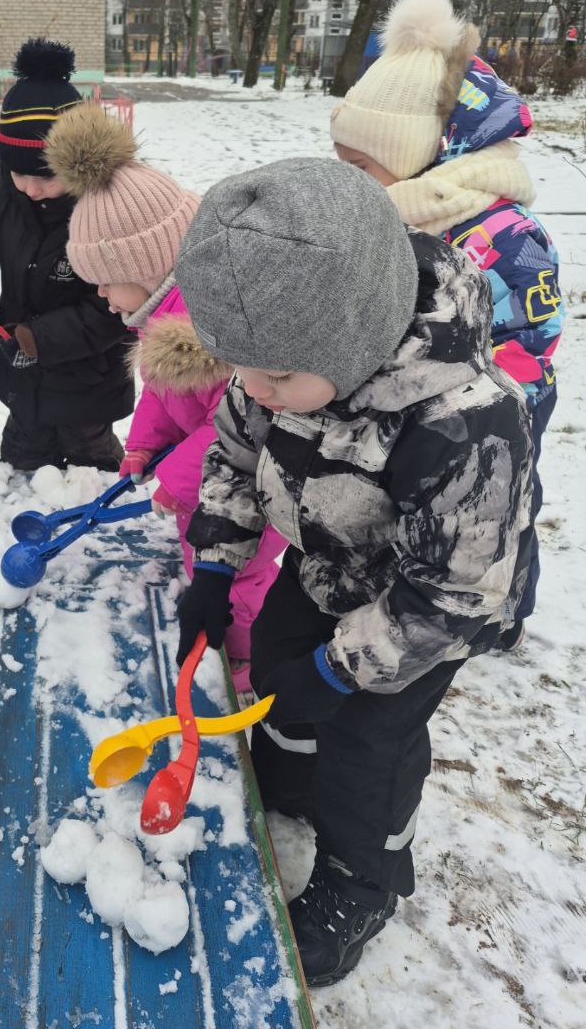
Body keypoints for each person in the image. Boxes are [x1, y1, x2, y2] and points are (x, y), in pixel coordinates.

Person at [172, 158, 532, 986]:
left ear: (356, 336)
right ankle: (289, 778)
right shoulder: (276, 367)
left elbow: (455, 591)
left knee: (370, 745)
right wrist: (215, 566)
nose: (255, 391)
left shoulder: (464, 423)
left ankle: (361, 881)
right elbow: (234, 455)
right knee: (277, 664)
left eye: (275, 377)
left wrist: (341, 671)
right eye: (241, 368)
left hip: (426, 611)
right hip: (325, 563)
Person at [331, 0, 563, 649]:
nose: (350, 180)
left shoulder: (506, 239)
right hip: (415, 411)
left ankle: (503, 616)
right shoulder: (401, 214)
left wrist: (476, 422)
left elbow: (528, 344)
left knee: (499, 517)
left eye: (361, 165)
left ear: (416, 154)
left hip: (490, 417)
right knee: (427, 519)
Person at [44, 102, 286, 691]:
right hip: (206, 488)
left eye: (106, 280)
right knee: (203, 558)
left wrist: (177, 479)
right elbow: (161, 393)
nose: (100, 295)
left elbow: (236, 427)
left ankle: (249, 657)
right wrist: (143, 446)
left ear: (148, 266)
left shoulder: (217, 329)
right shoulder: (161, 317)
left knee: (239, 575)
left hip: (251, 492)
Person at [0, 39, 133, 472]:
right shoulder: (5, 193)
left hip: (89, 381)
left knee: (92, 469)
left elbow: (118, 306)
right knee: (21, 465)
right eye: (19, 173)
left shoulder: (107, 208)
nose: (31, 188)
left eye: (46, 176)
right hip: (21, 376)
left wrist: (40, 337)